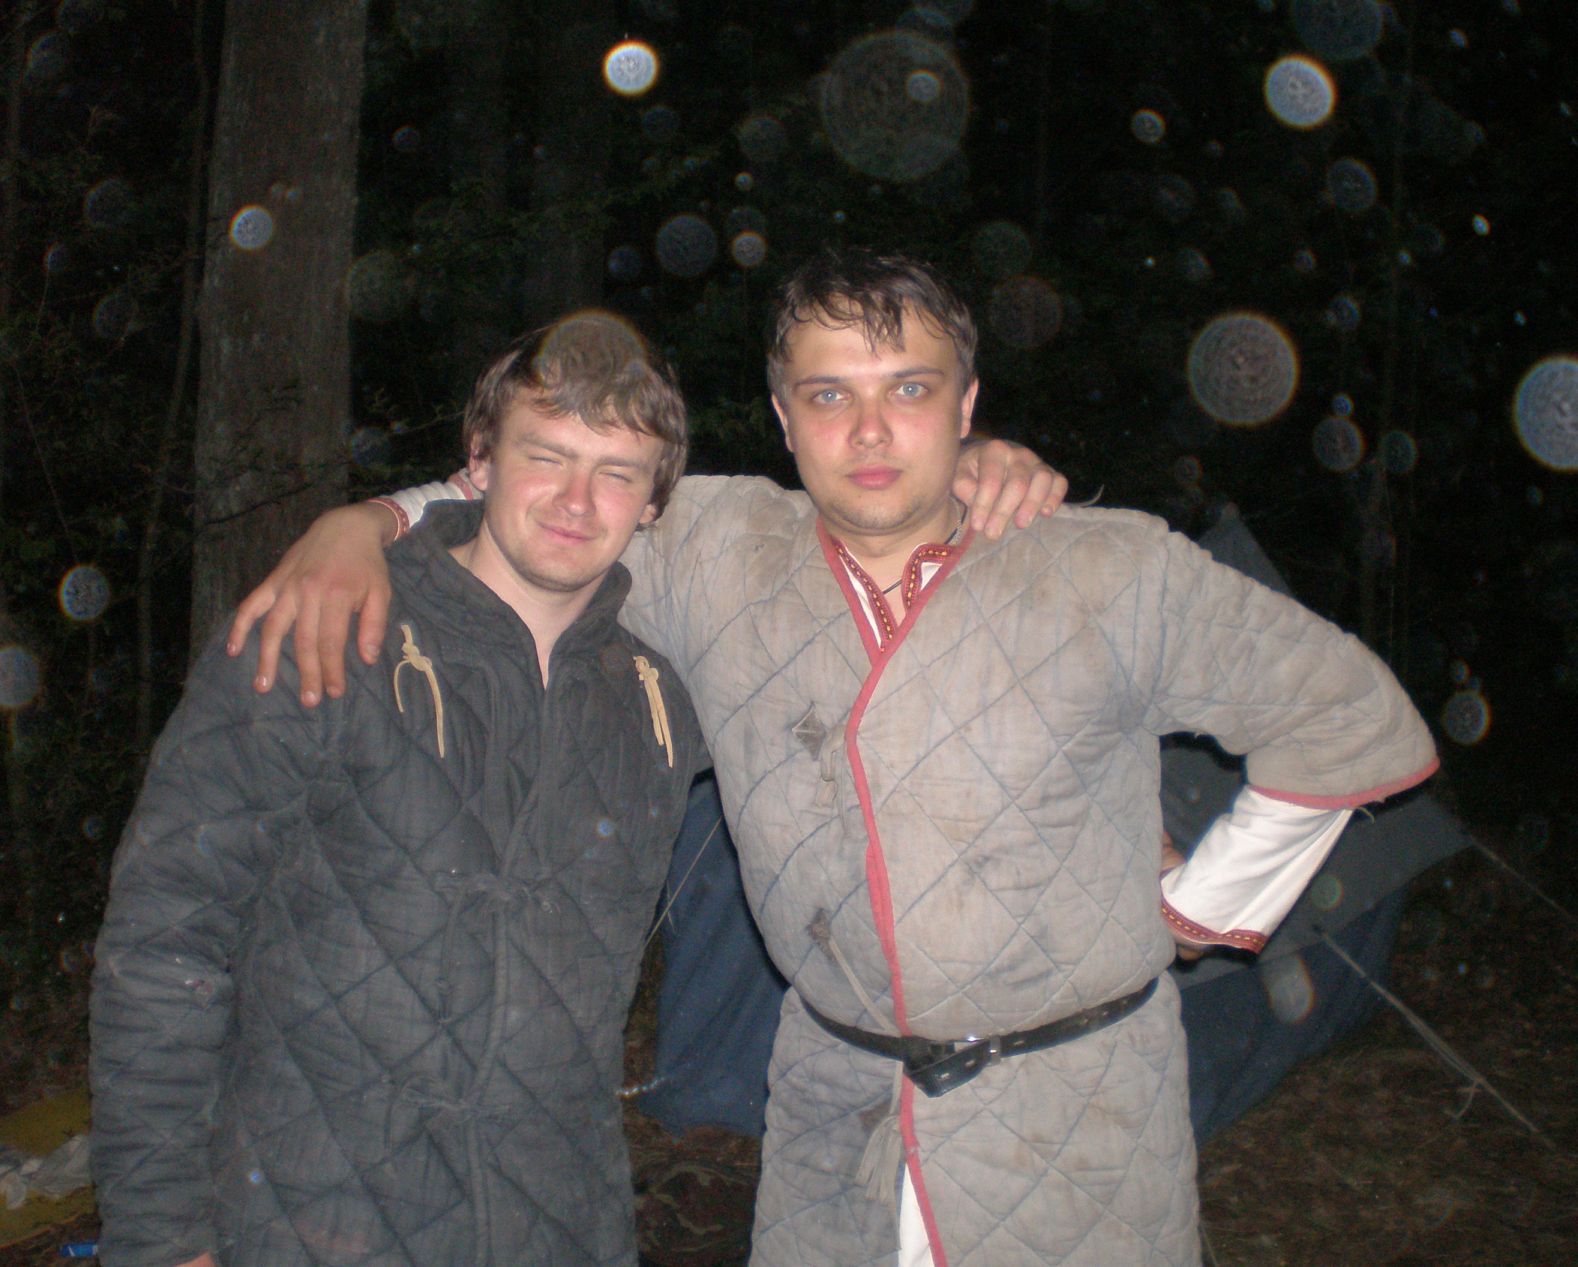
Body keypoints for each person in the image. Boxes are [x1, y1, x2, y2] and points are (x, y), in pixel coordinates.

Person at [229, 248, 1436, 1267]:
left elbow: (1352, 716)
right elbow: (523, 494)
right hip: (833, 1112)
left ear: (967, 406)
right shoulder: (711, 547)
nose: (867, 430)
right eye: (827, 394)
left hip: (1078, 1124)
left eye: (908, 388)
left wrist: (1205, 905)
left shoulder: (1104, 564)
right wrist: (358, 523)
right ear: (780, 415)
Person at [90, 312, 715, 1267]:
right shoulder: (320, 634)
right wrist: (159, 1235)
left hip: (561, 1227)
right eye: (545, 454)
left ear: (655, 503)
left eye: (617, 472)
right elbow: (164, 940)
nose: (576, 500)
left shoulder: (656, 707)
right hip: (310, 1222)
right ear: (480, 459)